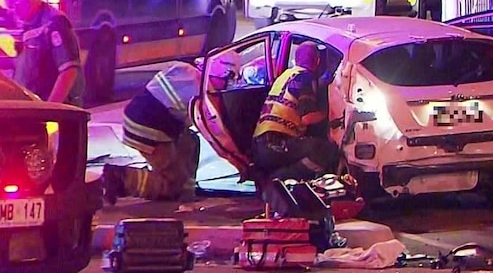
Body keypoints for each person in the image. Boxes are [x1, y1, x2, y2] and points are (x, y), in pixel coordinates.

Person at [102, 53, 240, 204]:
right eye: (227, 81)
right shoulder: (202, 90)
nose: (226, 87)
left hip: (141, 120)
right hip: (148, 129)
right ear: (222, 74)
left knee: (191, 141)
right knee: (170, 183)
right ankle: (120, 178)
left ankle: (187, 191)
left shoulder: (186, 70)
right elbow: (213, 131)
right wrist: (238, 159)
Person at [251, 41, 339, 183]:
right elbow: (308, 118)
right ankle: (277, 180)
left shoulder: (287, 75)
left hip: (260, 145)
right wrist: (331, 114)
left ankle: (274, 178)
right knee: (325, 151)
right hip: (276, 144)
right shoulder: (304, 78)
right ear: (317, 61)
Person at [0, 0, 84, 106]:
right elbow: (27, 64)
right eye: (9, 7)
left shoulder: (54, 23)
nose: (13, 12)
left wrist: (50, 109)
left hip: (54, 111)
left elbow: (69, 70)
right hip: (33, 108)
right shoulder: (29, 25)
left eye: (14, 5)